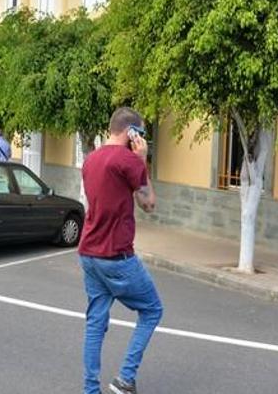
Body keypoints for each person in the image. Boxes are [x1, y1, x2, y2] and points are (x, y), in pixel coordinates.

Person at [79, 107, 161, 394]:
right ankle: (125, 378)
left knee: (95, 323)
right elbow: (149, 203)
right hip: (117, 256)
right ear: (132, 133)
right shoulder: (130, 160)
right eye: (141, 133)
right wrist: (143, 160)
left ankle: (90, 390)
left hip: (88, 253)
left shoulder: (90, 160)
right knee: (152, 310)